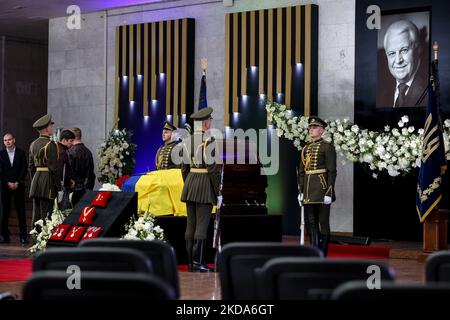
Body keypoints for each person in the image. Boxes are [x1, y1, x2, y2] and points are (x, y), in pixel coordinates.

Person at [181, 107, 220, 272]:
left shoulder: (187, 141)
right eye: (209, 121)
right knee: (202, 226)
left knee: (191, 224)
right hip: (204, 185)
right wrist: (218, 191)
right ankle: (198, 263)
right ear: (206, 123)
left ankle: (190, 263)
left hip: (190, 184)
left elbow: (184, 168)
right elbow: (212, 169)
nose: (210, 123)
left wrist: (189, 183)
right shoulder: (209, 142)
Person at [297, 116, 337, 257]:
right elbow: (302, 172)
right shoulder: (305, 148)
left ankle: (323, 254)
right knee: (311, 223)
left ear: (321, 130)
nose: (311, 130)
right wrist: (301, 190)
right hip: (308, 190)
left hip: (322, 189)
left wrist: (329, 192)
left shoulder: (327, 147)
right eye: (310, 128)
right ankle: (314, 253)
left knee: (323, 223)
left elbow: (332, 171)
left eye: (314, 128)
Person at [381, 19, 427, 108]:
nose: (398, 60)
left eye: (404, 50)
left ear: (418, 49)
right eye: (392, 53)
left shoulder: (431, 87)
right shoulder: (382, 91)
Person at [29, 114, 59, 228]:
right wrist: (58, 187)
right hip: (47, 181)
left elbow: (31, 166)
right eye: (51, 126)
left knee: (36, 213)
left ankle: (35, 239)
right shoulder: (50, 144)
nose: (52, 128)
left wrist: (35, 182)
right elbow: (53, 168)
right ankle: (44, 241)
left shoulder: (33, 144)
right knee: (46, 214)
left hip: (36, 180)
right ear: (47, 128)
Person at [0, 133, 28, 244]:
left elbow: (24, 168)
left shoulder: (21, 153)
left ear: (14, 140)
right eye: (5, 140)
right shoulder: (1, 154)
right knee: (4, 212)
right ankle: (4, 237)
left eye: (9, 139)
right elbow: (0, 171)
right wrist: (8, 182)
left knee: (21, 212)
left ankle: (23, 237)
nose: (7, 141)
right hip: (5, 187)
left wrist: (17, 181)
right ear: (4, 142)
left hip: (18, 186)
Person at [67, 127, 95, 206]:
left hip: (73, 191)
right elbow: (91, 174)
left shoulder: (70, 152)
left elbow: (68, 173)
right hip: (86, 190)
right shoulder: (88, 152)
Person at [57, 130, 75, 209]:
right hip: (62, 187)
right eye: (70, 141)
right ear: (64, 140)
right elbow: (61, 171)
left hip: (58, 185)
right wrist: (67, 182)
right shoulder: (62, 152)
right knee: (63, 212)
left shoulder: (57, 148)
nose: (72, 143)